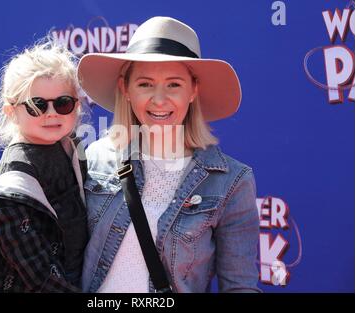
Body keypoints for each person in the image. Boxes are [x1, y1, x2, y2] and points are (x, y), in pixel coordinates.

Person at [77, 16, 261, 293]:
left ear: (193, 90)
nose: (159, 99)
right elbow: (32, 178)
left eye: (174, 84)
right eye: (145, 84)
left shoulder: (231, 181)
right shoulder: (94, 158)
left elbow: (240, 286)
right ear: (125, 89)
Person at [0, 38, 88, 292]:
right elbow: (41, 278)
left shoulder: (72, 149)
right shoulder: (7, 194)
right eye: (37, 105)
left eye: (63, 103)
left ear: (77, 106)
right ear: (11, 111)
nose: (51, 113)